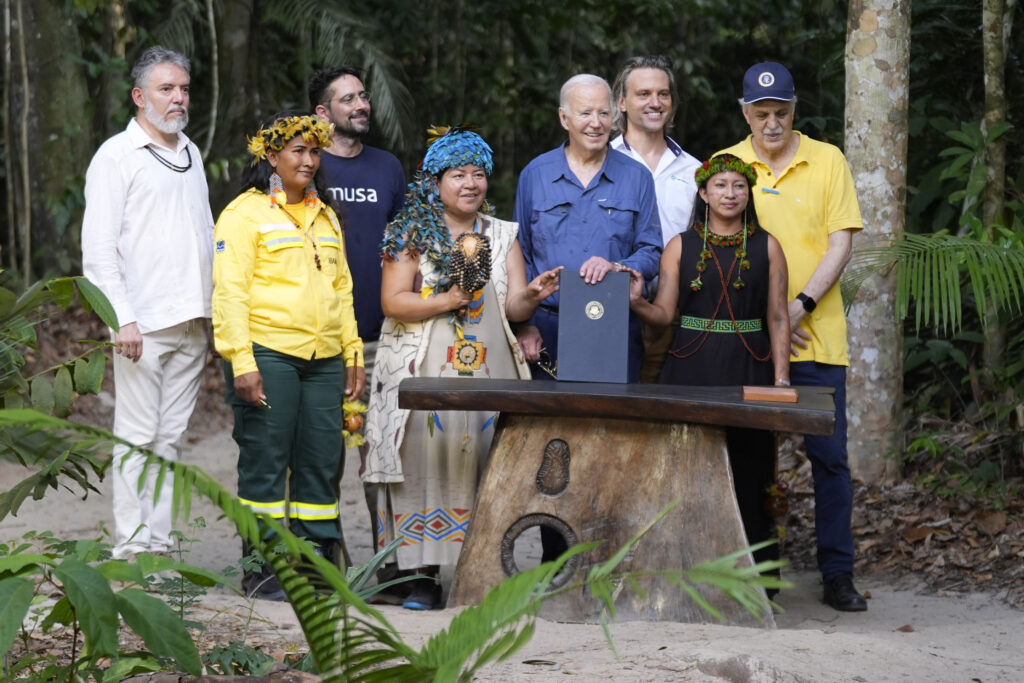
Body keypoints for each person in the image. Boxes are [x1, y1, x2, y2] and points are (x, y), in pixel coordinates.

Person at [363, 128, 562, 610]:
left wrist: (532, 296)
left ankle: (488, 571)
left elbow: (513, 307)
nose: (470, 183)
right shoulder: (410, 232)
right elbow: (393, 301)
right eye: (458, 174)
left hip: (491, 370)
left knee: (489, 460)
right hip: (425, 369)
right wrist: (447, 300)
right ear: (435, 183)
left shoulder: (502, 233)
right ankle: (423, 577)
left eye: (478, 174)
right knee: (424, 463)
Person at [720, 61, 866, 611]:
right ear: (745, 113)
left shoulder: (827, 160)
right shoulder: (730, 165)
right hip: (751, 342)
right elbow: (720, 246)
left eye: (781, 112)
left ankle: (837, 574)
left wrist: (798, 310)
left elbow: (840, 244)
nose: (772, 123)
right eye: (762, 114)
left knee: (829, 459)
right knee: (751, 457)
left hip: (818, 338)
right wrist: (767, 323)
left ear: (794, 110)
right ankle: (760, 573)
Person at [212, 111, 365, 600]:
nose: (309, 160)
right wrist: (243, 361)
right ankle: (264, 571)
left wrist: (353, 352)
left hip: (324, 359)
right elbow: (229, 295)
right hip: (269, 353)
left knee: (322, 460)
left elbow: (342, 288)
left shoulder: (325, 215)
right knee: (265, 461)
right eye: (297, 150)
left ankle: (317, 566)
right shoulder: (243, 215)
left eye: (314, 151)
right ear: (271, 156)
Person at [626, 153, 790, 588]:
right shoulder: (681, 245)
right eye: (720, 186)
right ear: (703, 193)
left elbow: (777, 316)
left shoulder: (767, 245)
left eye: (739, 186)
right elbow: (664, 315)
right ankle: (682, 576)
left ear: (748, 192)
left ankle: (760, 583)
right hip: (689, 367)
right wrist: (638, 303)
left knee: (752, 471)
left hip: (749, 368)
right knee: (685, 470)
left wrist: (781, 379)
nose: (730, 194)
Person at [82, 45, 213, 561]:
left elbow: (202, 231)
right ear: (139, 96)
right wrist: (121, 319)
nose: (178, 98)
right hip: (143, 324)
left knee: (170, 440)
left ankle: (158, 547)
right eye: (166, 89)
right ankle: (131, 551)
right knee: (136, 437)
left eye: (183, 88)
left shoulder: (191, 151)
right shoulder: (116, 156)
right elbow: (98, 250)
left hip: (191, 319)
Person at [308, 65, 407, 586]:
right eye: (348, 99)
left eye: (364, 96)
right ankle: (328, 569)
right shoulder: (307, 165)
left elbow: (409, 246)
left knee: (381, 457)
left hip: (380, 337)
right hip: (322, 341)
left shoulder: (388, 168)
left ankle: (386, 568)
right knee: (324, 457)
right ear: (323, 113)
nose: (362, 105)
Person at [513, 73, 661, 383]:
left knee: (615, 426)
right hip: (546, 328)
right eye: (585, 113)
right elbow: (519, 255)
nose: (596, 122)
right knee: (545, 428)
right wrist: (522, 325)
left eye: (604, 113)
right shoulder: (535, 175)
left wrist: (617, 265)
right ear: (564, 118)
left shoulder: (637, 177)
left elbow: (651, 251)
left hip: (615, 323)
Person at [610, 55, 701, 382]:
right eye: (643, 93)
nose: (655, 102)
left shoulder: (694, 171)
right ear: (622, 102)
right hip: (610, 308)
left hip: (677, 315)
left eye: (663, 94)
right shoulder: (601, 164)